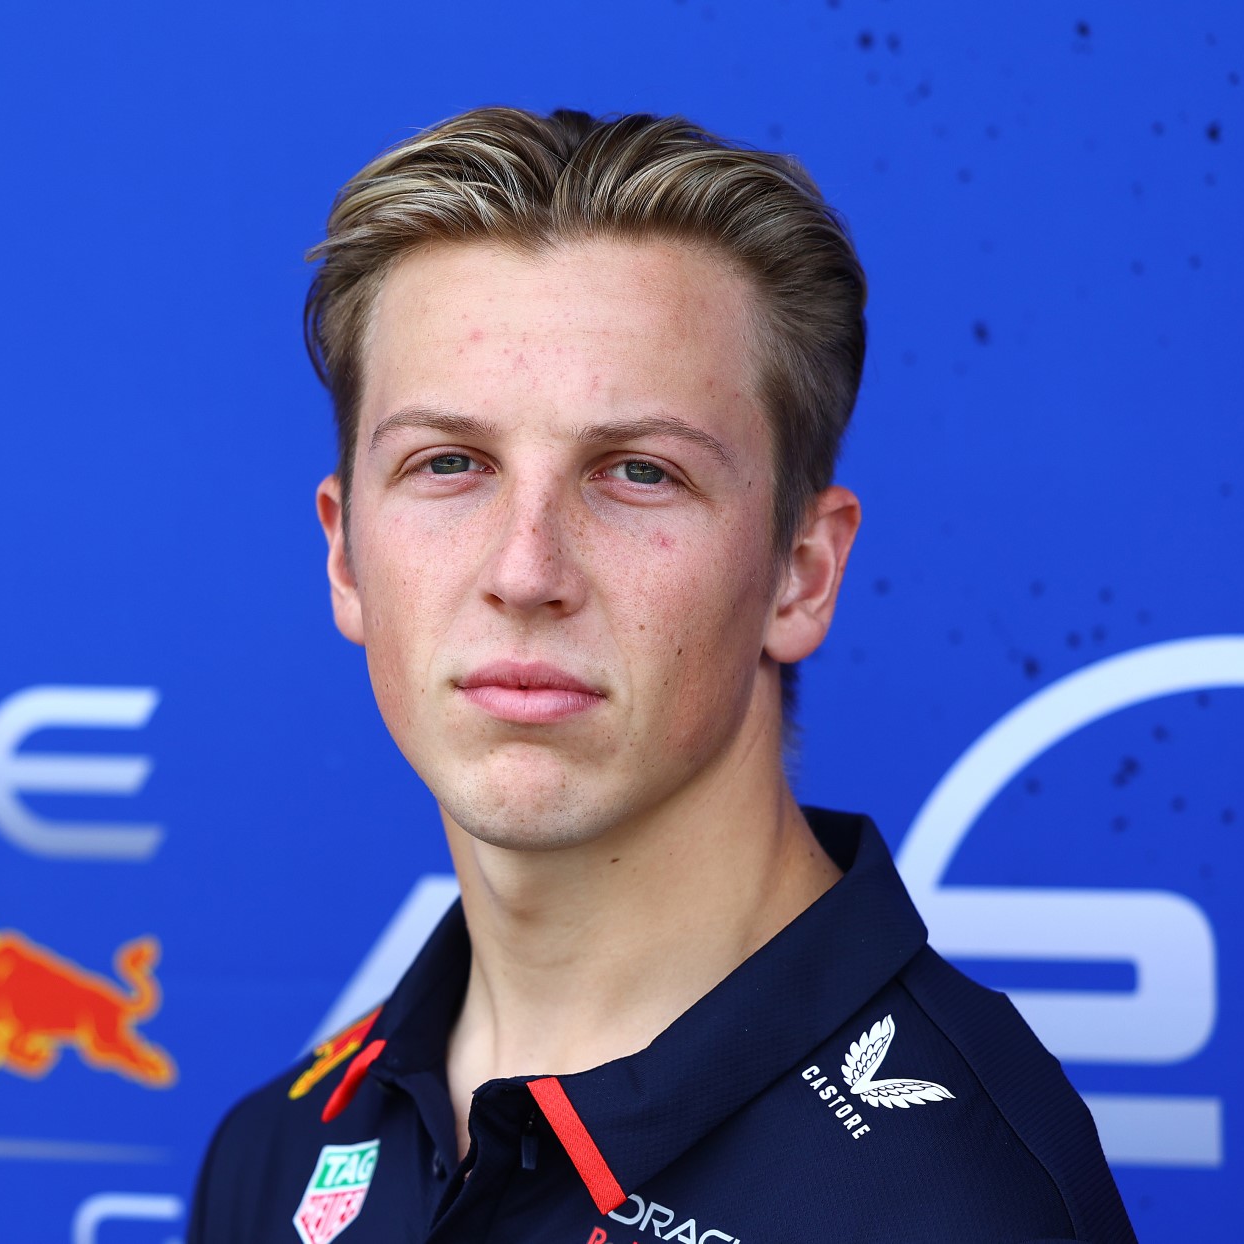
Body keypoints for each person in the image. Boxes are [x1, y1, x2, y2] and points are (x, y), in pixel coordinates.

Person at [189, 106, 1136, 1244]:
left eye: (638, 472)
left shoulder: (951, 1205)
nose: (525, 569)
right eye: (450, 463)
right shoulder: (280, 1152)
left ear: (802, 570)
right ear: (345, 554)